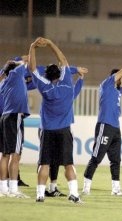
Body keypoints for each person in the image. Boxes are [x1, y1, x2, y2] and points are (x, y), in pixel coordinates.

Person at [28, 37, 81, 203]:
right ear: (59, 73)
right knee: (68, 164)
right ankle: (74, 194)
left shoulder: (45, 87)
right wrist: (50, 44)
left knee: (44, 164)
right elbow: (63, 59)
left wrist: (33, 47)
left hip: (48, 131)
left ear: (47, 76)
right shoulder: (67, 83)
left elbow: (32, 68)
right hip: (64, 130)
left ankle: (40, 195)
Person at [82, 61, 122, 196]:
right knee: (96, 157)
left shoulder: (117, 91)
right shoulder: (107, 85)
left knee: (116, 160)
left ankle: (116, 189)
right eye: (121, 78)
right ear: (115, 77)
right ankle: (86, 186)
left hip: (115, 128)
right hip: (105, 125)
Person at [0, 58, 30, 198]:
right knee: (16, 155)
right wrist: (32, 47)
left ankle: (3, 189)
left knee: (5, 155)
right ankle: (13, 189)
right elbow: (27, 61)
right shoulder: (16, 74)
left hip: (4, 117)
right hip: (14, 116)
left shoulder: (3, 83)